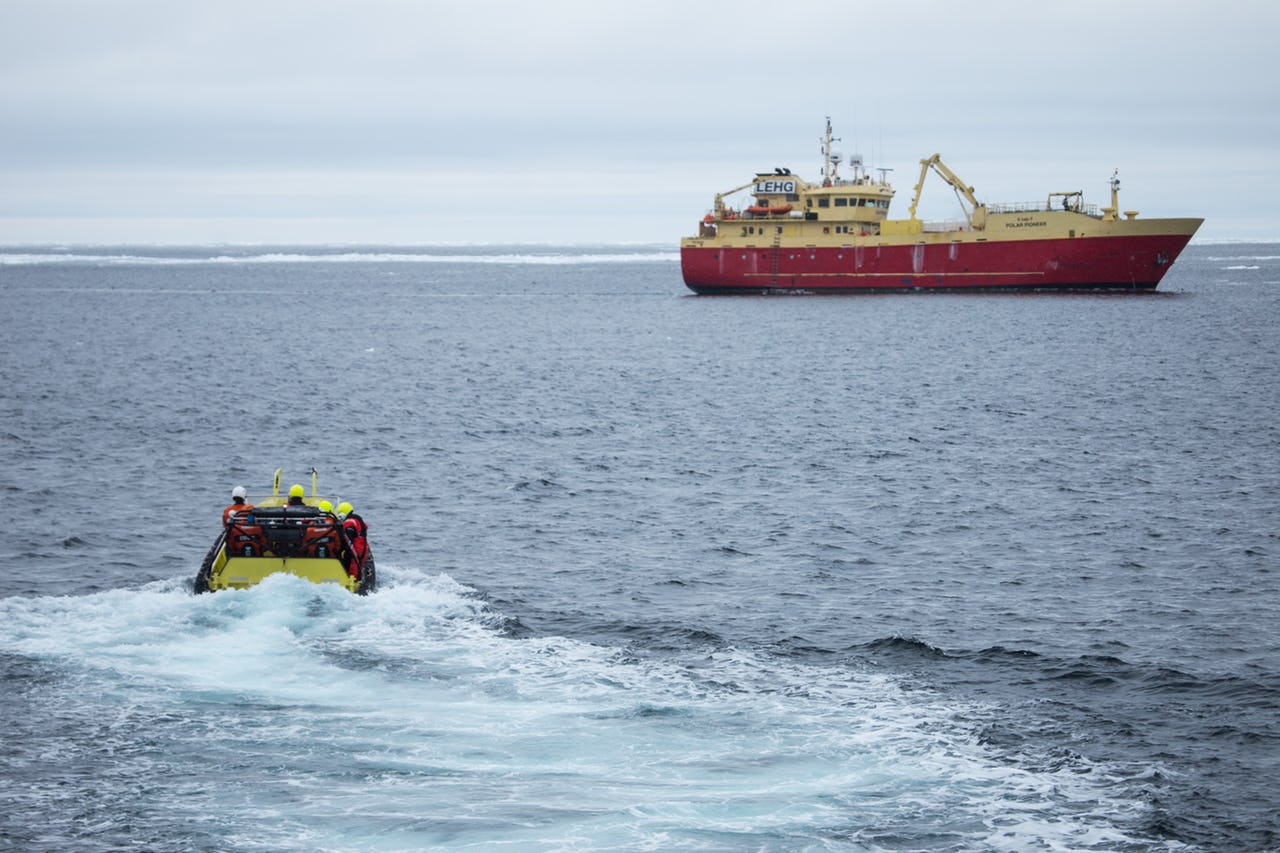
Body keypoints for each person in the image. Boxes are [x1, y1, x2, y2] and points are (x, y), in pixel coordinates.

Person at [338, 501, 368, 577]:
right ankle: (359, 578)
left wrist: (342, 549)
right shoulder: (357, 519)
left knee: (353, 565)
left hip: (356, 547)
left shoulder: (349, 522)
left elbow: (348, 540)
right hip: (363, 546)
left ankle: (353, 581)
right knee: (359, 564)